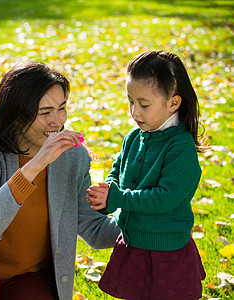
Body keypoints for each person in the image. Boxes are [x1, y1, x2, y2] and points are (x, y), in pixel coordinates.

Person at [0, 61, 120, 300]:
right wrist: (36, 164)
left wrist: (143, 211)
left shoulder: (74, 157)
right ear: (16, 115)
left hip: (29, 278)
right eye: (45, 112)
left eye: (61, 108)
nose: (57, 121)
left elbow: (95, 230)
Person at [86, 50, 207, 300]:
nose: (135, 112)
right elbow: (117, 173)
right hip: (134, 242)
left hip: (165, 249)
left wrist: (118, 197)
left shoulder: (180, 147)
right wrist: (105, 195)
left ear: (173, 103)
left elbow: (165, 198)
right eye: (130, 101)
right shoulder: (133, 138)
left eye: (144, 104)